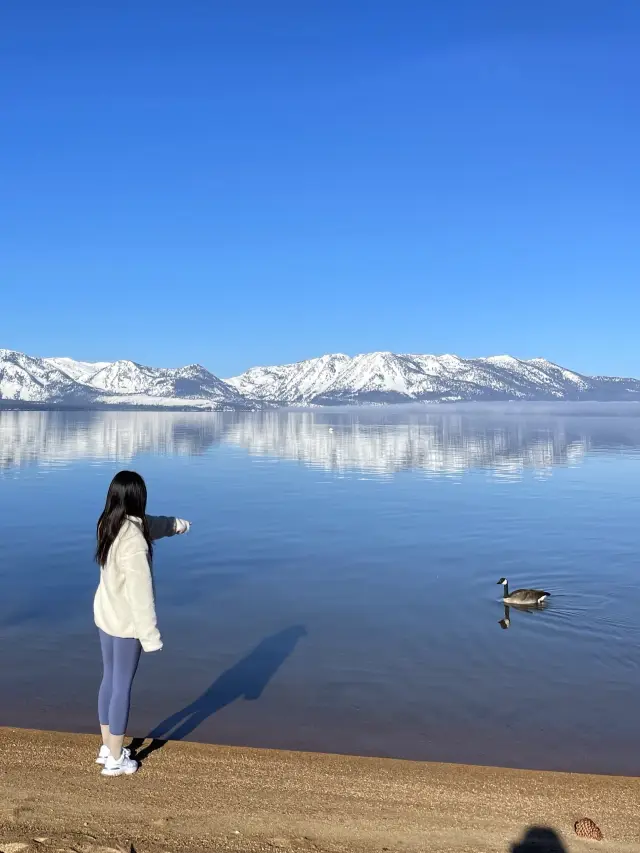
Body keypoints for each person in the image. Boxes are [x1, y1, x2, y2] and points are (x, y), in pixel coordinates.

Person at [93, 470, 190, 777]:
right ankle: (116, 759)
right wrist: (150, 636)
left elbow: (151, 524)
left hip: (106, 616)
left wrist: (176, 525)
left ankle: (107, 745)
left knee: (109, 679)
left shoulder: (109, 523)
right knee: (122, 686)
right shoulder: (134, 541)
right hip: (125, 624)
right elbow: (141, 593)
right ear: (138, 498)